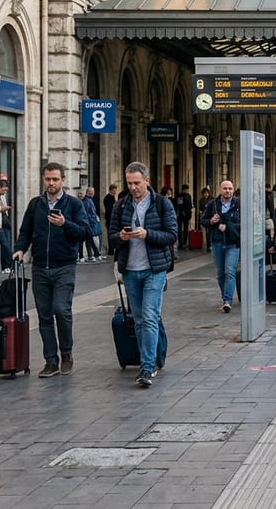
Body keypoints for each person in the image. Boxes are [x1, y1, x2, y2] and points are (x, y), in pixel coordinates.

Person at [12, 162, 90, 378]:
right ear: (43, 179)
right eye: (48, 179)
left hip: (64, 265)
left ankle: (66, 353)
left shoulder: (73, 205)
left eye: (55, 179)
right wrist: (20, 249)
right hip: (39, 267)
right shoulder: (35, 204)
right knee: (45, 315)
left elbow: (85, 232)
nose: (51, 183)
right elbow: (25, 231)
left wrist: (65, 224)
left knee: (61, 310)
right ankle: (50, 361)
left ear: (63, 180)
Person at [110, 162, 175, 388]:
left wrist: (148, 234)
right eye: (129, 183)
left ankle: (147, 367)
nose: (133, 187)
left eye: (137, 183)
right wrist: (121, 237)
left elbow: (171, 235)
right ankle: (152, 356)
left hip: (154, 270)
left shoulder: (162, 204)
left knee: (148, 316)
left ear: (147, 181)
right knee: (139, 319)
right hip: (130, 270)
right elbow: (111, 238)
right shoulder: (120, 206)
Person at [200, 180, 240, 312]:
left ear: (233, 190)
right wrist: (211, 221)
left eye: (230, 188)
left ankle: (227, 300)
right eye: (225, 188)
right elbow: (203, 221)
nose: (227, 191)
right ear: (220, 190)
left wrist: (227, 226)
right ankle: (225, 298)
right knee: (220, 273)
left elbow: (243, 224)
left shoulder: (238, 204)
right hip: (217, 242)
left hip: (232, 243)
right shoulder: (213, 204)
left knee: (230, 271)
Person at [80, 187, 101, 262]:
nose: (92, 193)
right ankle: (91, 255)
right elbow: (89, 214)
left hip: (89, 223)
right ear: (88, 192)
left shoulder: (88, 200)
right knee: (87, 239)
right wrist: (92, 223)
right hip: (88, 223)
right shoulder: (87, 201)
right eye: (91, 192)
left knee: (89, 239)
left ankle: (94, 254)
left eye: (93, 191)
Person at [103, 183, 119, 256]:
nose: (115, 192)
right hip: (110, 219)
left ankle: (112, 249)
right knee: (110, 235)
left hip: (112, 219)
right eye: (114, 190)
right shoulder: (108, 198)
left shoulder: (113, 197)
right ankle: (111, 250)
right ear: (111, 190)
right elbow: (109, 210)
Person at [176, 183, 193, 249]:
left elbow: (190, 204)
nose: (187, 191)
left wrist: (189, 212)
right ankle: (181, 243)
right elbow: (179, 205)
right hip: (181, 214)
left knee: (186, 229)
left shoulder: (189, 196)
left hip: (187, 214)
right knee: (180, 229)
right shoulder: (180, 196)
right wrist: (183, 212)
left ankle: (184, 243)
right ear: (183, 190)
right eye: (186, 189)